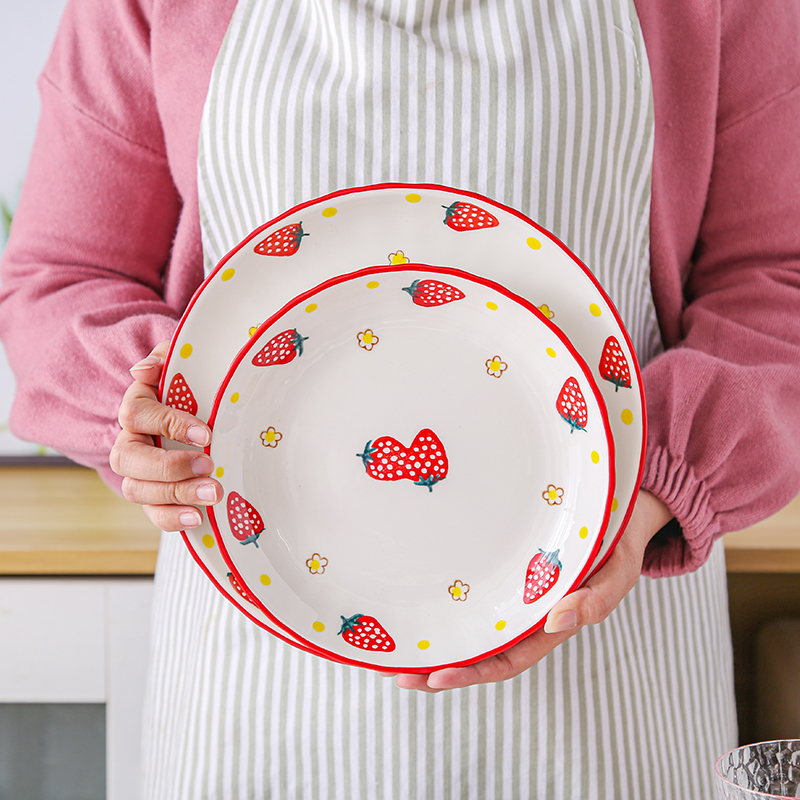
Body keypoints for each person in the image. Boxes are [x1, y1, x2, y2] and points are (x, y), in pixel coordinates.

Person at [2, 0, 799, 796]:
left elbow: (779, 283)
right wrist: (154, 411)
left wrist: (652, 489)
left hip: (609, 648)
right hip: (258, 690)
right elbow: (60, 281)